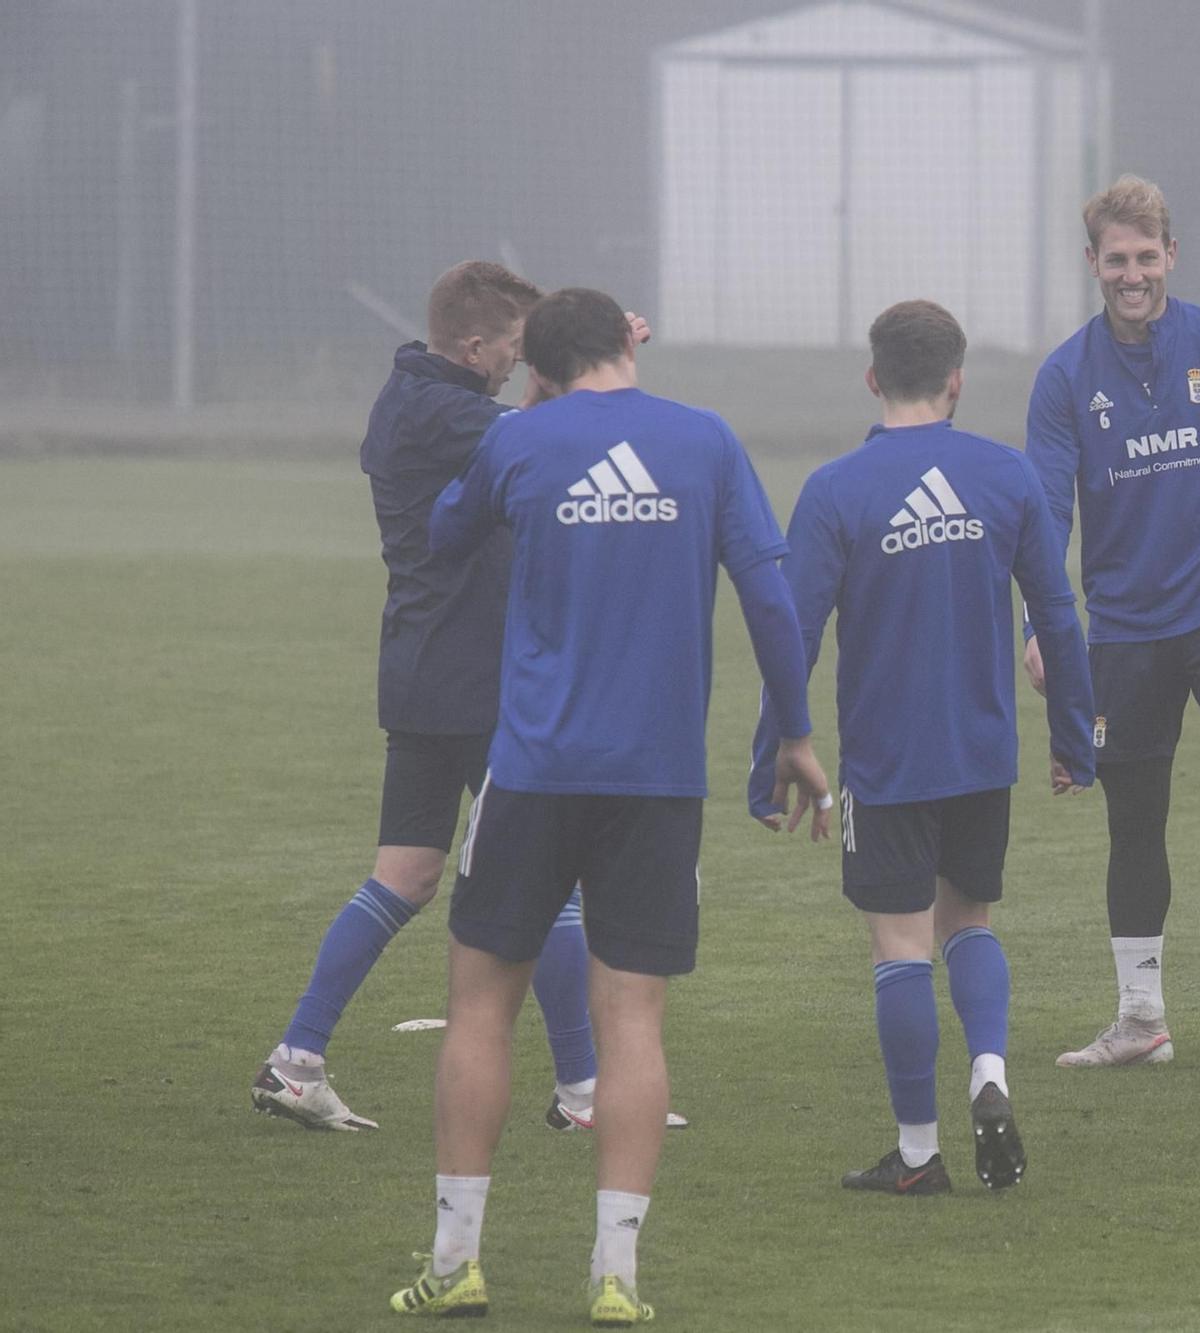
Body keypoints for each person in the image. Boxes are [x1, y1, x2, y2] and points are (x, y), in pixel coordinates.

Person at [388, 287, 829, 1323]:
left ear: (538, 362)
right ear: (626, 344)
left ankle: (456, 1260)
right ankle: (616, 1276)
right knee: (631, 1020)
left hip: (534, 769)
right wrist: (796, 735)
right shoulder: (705, 441)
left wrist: (540, 424)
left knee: (480, 1008)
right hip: (657, 780)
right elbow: (770, 595)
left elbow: (445, 534)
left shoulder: (523, 442)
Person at [251, 261, 614, 1134]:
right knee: (554, 879)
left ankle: (295, 1060)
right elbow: (556, 436)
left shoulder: (415, 396)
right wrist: (606, 370)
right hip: (472, 677)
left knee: (406, 874)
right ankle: (588, 1094)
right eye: (519, 352)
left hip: (424, 669)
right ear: (477, 344)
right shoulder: (448, 413)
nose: (522, 368)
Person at [749, 300, 1095, 1195]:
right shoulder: (1006, 475)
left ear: (873, 378)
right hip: (981, 754)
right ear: (957, 380)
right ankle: (990, 1071)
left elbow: (796, 634)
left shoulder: (836, 488)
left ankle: (915, 1154)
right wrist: (1072, 739)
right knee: (969, 923)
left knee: (901, 947)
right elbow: (1056, 616)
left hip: (885, 762)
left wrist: (773, 753)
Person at [1024, 175, 1200, 1068]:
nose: (1133, 274)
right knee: (1133, 818)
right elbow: (1044, 514)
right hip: (1125, 627)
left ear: (1171, 256)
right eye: (1118, 260)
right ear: (1093, 265)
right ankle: (1141, 1017)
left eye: (1147, 257)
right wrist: (1044, 623)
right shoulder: (1066, 377)